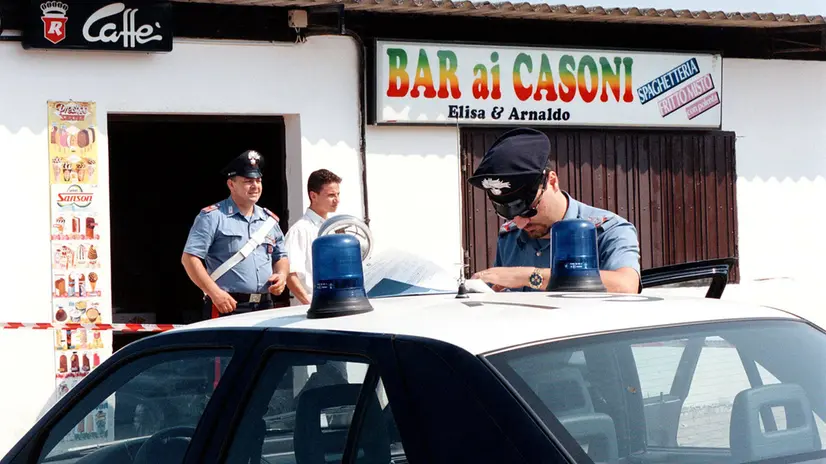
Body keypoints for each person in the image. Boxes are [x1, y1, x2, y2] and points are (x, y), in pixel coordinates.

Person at [467, 128, 642, 294]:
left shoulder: (608, 230)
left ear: (552, 181)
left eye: (529, 210)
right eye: (510, 214)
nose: (520, 223)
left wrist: (529, 276)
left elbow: (626, 286)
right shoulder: (509, 237)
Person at [181, 149, 290, 320]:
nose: (255, 186)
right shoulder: (213, 217)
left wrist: (282, 275)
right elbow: (189, 258)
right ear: (231, 184)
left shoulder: (269, 221)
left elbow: (281, 256)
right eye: (248, 181)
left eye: (258, 180)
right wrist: (215, 293)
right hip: (227, 304)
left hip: (265, 305)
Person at [285, 169, 342, 305]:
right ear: (313, 196)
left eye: (338, 194)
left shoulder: (334, 229)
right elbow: (290, 274)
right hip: (311, 309)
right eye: (331, 195)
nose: (337, 200)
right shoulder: (300, 230)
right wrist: (309, 303)